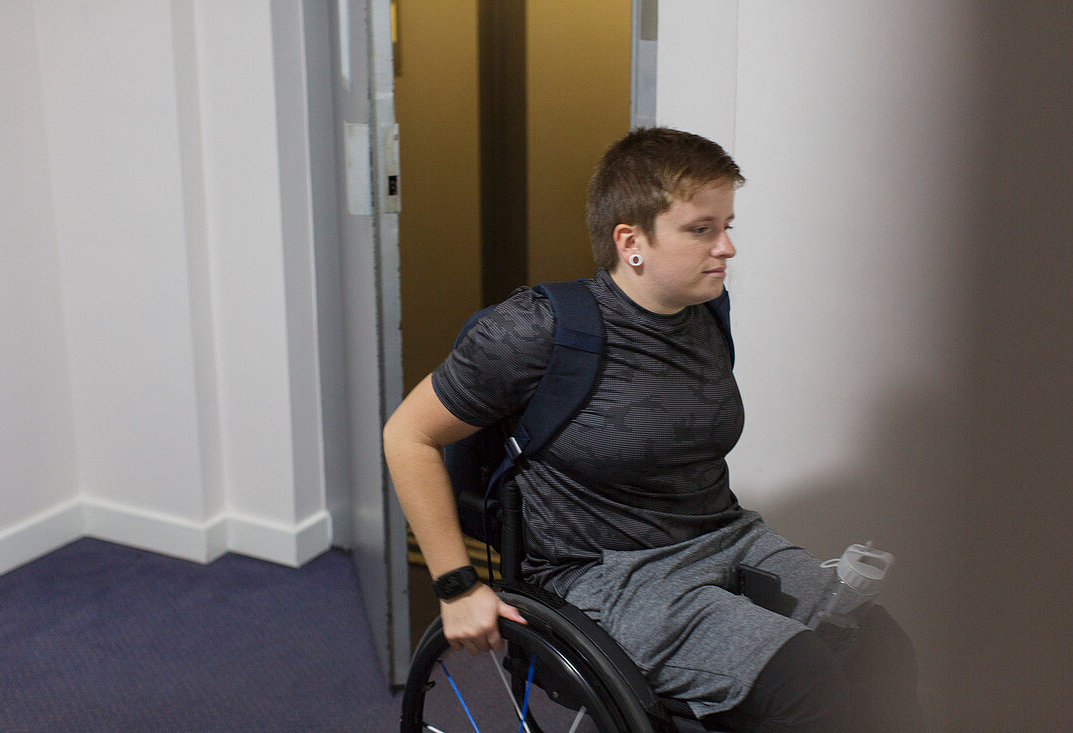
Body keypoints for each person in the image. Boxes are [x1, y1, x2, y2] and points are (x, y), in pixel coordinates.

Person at [383, 127, 924, 731]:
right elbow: (408, 436)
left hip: (723, 537)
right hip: (603, 575)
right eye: (701, 230)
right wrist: (457, 586)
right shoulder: (535, 330)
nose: (727, 248)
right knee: (804, 680)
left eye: (728, 226)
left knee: (881, 647)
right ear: (631, 240)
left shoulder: (705, 313)